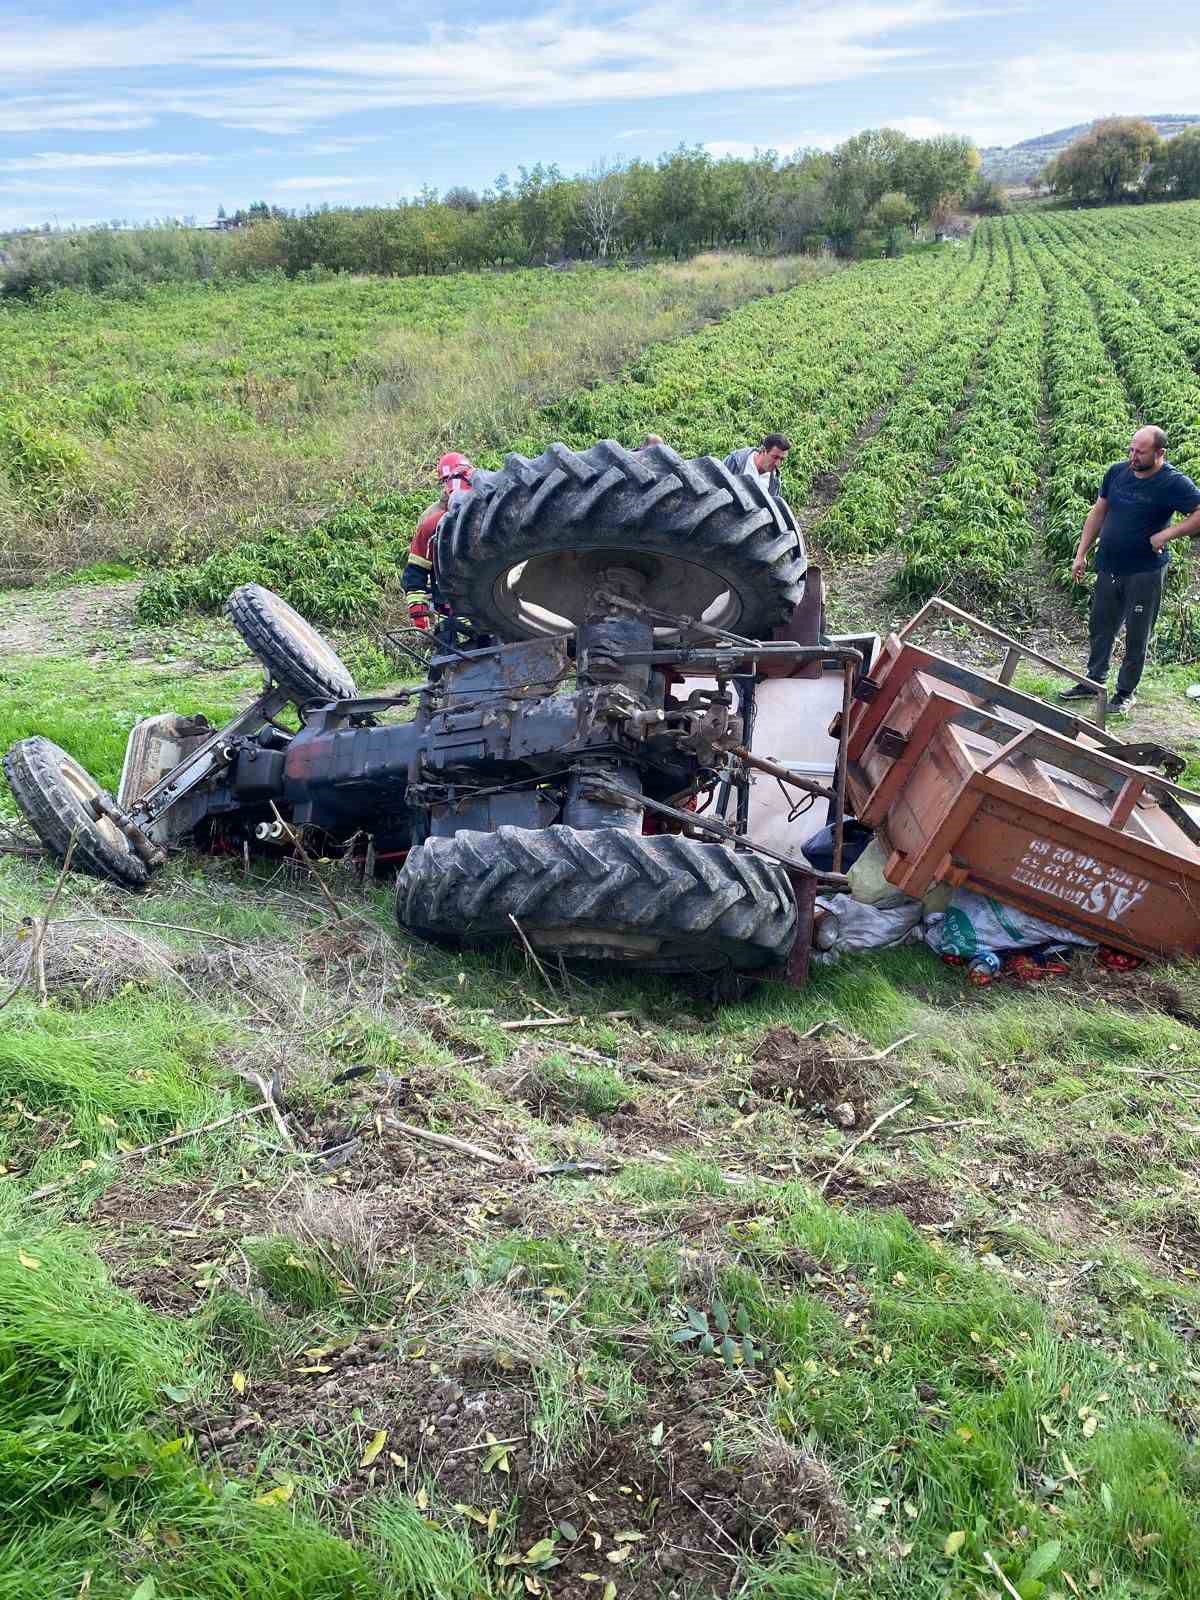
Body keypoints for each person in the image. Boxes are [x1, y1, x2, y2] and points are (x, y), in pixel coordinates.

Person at [1062, 426, 1200, 714]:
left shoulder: (1172, 483)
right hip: (1109, 565)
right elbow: (1099, 510)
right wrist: (1081, 553)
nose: (1133, 456)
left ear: (1160, 453)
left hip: (1144, 571)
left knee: (1138, 633)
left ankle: (1125, 692)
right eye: (1132, 449)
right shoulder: (1117, 472)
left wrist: (1167, 535)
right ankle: (1093, 680)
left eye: (1141, 452)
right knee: (1101, 626)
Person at [403, 451, 474, 634]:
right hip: (448, 596)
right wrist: (419, 611)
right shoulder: (431, 520)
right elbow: (417, 566)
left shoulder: (483, 508)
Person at [723, 433, 790, 501]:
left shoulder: (774, 482)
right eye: (775, 457)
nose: (778, 464)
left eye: (782, 459)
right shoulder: (735, 461)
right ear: (763, 450)